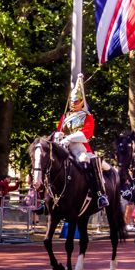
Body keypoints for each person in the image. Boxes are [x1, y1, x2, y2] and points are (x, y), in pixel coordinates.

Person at [53, 73, 110, 208]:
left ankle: (100, 194)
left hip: (80, 148)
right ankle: (46, 200)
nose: (73, 103)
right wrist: (58, 137)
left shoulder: (87, 116)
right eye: (72, 101)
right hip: (64, 147)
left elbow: (87, 134)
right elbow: (59, 130)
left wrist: (69, 138)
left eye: (76, 101)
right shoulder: (65, 116)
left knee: (90, 162)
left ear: (81, 101)